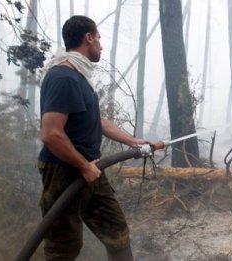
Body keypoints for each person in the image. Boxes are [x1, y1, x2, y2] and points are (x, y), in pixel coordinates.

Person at [38, 15, 149, 261]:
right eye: (98, 37)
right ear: (88, 38)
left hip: (90, 168)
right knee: (63, 248)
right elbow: (50, 133)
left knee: (116, 232)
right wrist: (82, 166)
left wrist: (133, 141)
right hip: (64, 172)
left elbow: (97, 121)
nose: (101, 44)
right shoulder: (63, 77)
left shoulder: (78, 77)